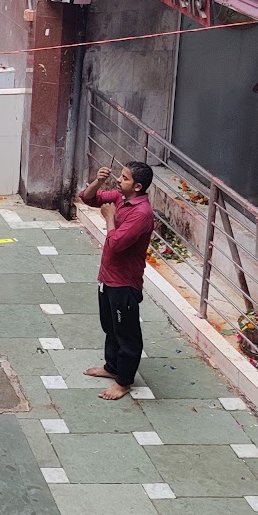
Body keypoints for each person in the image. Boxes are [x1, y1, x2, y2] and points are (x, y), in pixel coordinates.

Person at [77, 161, 156, 400]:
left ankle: (123, 382)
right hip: (108, 277)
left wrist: (109, 218)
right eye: (120, 176)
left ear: (138, 187)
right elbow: (87, 198)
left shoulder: (141, 213)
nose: (119, 180)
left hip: (124, 283)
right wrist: (98, 181)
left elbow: (115, 244)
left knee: (127, 334)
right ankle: (112, 367)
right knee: (110, 326)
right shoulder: (121, 198)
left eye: (125, 178)